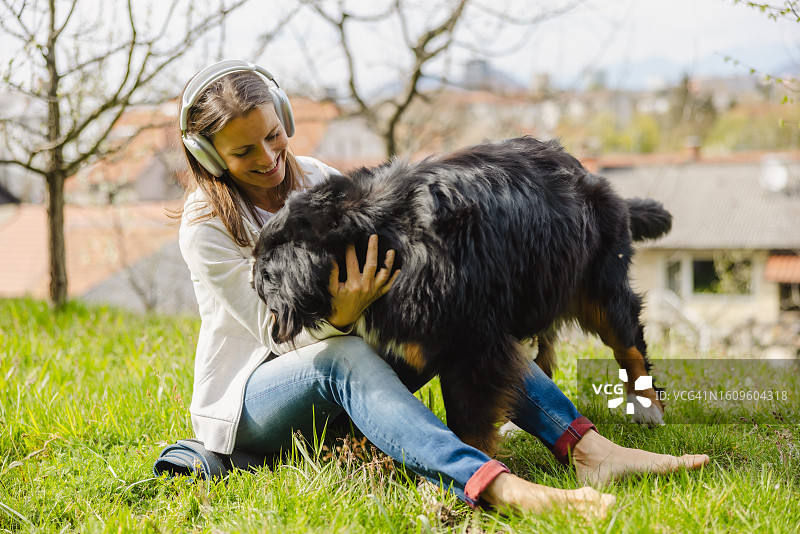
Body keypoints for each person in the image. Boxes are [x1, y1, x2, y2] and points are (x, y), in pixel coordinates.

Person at [174, 60, 708, 515]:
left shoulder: (314, 178)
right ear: (210, 156)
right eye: (243, 152)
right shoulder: (205, 227)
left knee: (456, 321)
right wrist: (344, 314)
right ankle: (494, 486)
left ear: (285, 117)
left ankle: (587, 448)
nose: (267, 157)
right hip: (259, 405)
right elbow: (276, 334)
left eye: (273, 135)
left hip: (355, 392)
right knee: (341, 356)